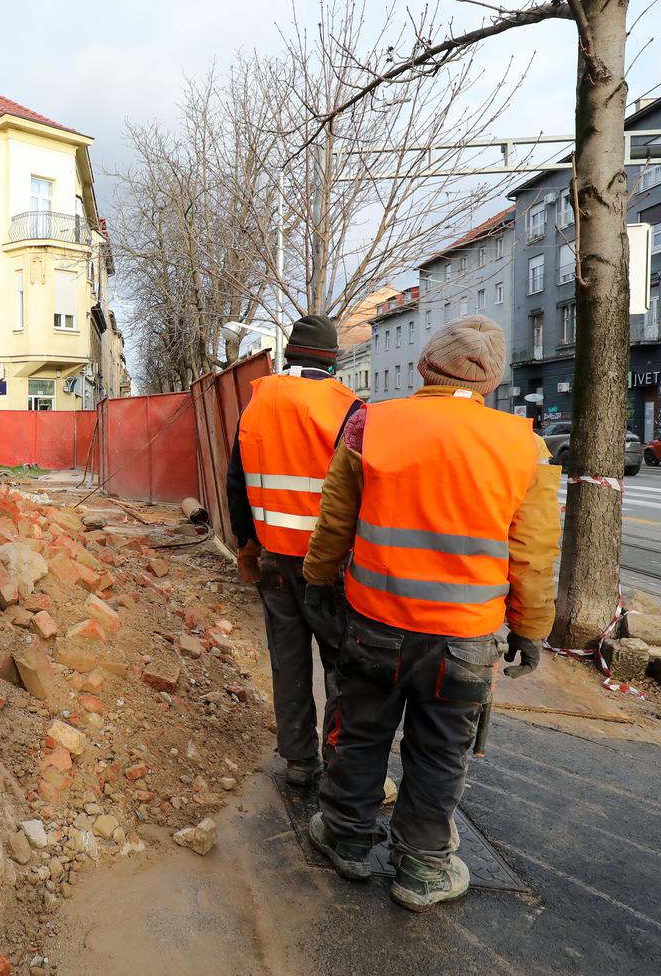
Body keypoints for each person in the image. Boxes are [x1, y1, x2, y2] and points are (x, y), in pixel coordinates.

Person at [301, 316, 559, 911]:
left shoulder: (372, 422)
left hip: (374, 624)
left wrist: (317, 581)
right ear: (491, 379)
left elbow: (335, 520)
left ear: (424, 366)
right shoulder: (524, 444)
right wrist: (531, 627)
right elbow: (534, 551)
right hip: (463, 640)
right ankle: (422, 867)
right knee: (441, 749)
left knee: (361, 733)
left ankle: (346, 838)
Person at [227, 315, 362, 789]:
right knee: (342, 664)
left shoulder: (257, 404)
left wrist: (246, 543)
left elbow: (236, 481)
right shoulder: (348, 409)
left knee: (288, 661)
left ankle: (300, 762)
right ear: (333, 359)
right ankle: (341, 764)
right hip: (329, 566)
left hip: (273, 559)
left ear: (290, 356)